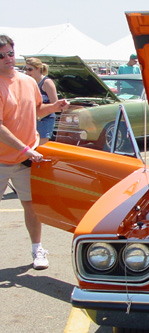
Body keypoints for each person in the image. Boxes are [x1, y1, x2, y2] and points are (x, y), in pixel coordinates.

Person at [0, 34, 68, 269]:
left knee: (31, 205)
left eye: (10, 53)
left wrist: (55, 106)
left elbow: (37, 111)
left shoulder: (28, 82)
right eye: (1, 55)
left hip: (27, 158)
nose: (8, 58)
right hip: (4, 158)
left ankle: (37, 249)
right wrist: (26, 148)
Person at [25, 57, 58, 144]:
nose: (27, 72)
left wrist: (42, 114)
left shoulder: (47, 83)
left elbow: (55, 104)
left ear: (38, 69)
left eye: (30, 70)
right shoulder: (30, 82)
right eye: (26, 69)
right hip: (32, 119)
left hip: (45, 120)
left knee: (40, 146)